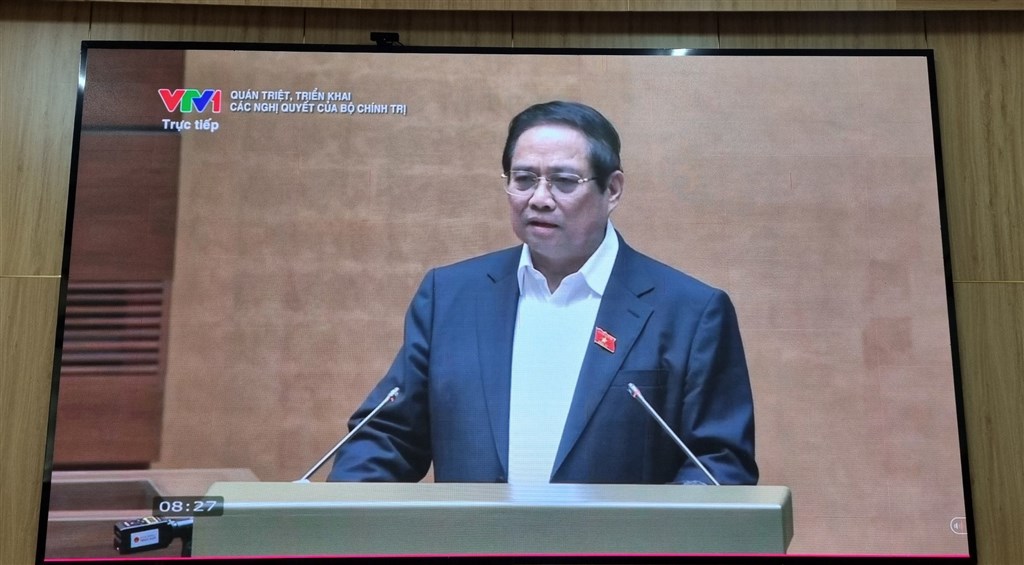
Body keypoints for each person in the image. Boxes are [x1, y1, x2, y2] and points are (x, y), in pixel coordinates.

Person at [328, 101, 757, 485]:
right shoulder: (450, 297)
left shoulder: (689, 312)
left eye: (564, 181)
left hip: (619, 547)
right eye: (524, 179)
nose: (539, 199)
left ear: (612, 190)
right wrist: (341, 510)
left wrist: (659, 532)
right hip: (475, 545)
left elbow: (719, 465)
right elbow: (388, 436)